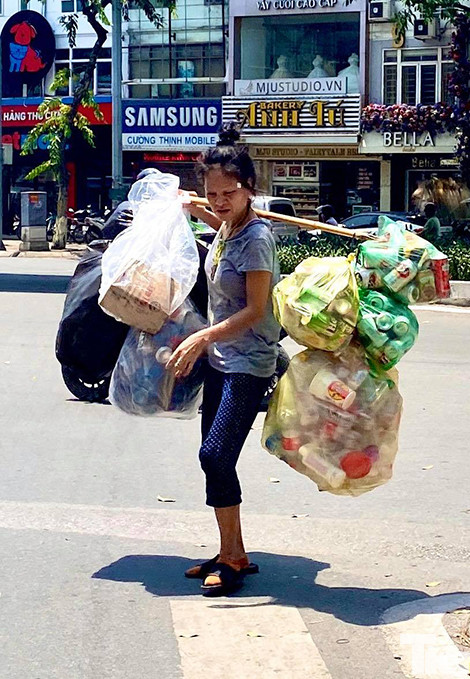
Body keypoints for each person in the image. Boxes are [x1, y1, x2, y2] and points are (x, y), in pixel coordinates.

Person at [166, 123, 282, 597]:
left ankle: (233, 554)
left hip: (248, 365)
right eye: (210, 192)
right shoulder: (230, 228)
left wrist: (200, 338)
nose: (218, 200)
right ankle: (231, 550)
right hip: (221, 362)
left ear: (249, 189)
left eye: (227, 193)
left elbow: (256, 311)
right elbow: (221, 229)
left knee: (215, 454)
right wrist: (194, 208)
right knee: (214, 461)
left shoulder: (256, 239)